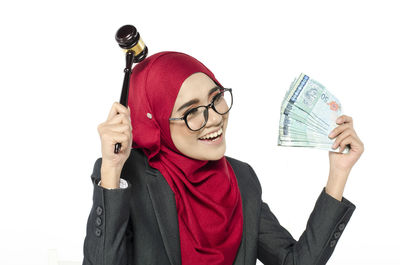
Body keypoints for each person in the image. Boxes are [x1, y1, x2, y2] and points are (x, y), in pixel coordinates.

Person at [82, 51, 364, 265]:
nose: (215, 117)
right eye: (191, 111)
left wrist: (338, 173)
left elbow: (294, 261)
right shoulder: (128, 176)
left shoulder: (242, 178)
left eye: (216, 98)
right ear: (155, 121)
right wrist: (111, 170)